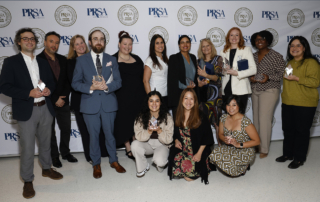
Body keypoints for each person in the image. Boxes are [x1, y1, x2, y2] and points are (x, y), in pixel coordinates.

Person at [0, 28, 63, 199]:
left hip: (45, 108)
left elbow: (50, 81)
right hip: (26, 110)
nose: (29, 41)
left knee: (45, 143)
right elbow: (4, 86)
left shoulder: (42, 61)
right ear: (18, 42)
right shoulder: (11, 62)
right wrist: (28, 93)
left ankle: (46, 168)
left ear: (36, 42)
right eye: (25, 39)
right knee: (27, 148)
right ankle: (28, 180)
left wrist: (48, 89)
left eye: (32, 38)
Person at [72, 30, 126, 179]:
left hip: (108, 103)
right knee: (93, 136)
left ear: (105, 42)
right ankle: (96, 163)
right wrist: (91, 87)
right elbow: (75, 84)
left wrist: (107, 87)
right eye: (95, 39)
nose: (99, 42)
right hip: (90, 104)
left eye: (101, 39)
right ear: (90, 42)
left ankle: (113, 160)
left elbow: (118, 82)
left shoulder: (111, 59)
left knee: (110, 135)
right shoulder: (81, 61)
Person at [276, 36, 320, 169]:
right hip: (288, 102)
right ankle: (287, 154)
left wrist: (297, 78)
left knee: (302, 131)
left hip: (305, 103)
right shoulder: (289, 62)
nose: (294, 48)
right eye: (292, 45)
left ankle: (299, 158)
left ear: (304, 48)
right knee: (288, 129)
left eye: (298, 45)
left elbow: (316, 82)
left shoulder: (311, 62)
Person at [66, 35, 108, 164]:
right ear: (73, 48)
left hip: (96, 98)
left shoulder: (94, 58)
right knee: (85, 130)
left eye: (82, 43)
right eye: (77, 44)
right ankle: (90, 156)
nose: (80, 46)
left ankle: (102, 151)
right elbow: (72, 82)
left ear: (86, 44)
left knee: (98, 127)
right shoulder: (70, 62)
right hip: (80, 100)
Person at [37, 31, 77, 168]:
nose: (54, 45)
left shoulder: (63, 59)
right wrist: (54, 98)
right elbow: (38, 82)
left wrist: (63, 98)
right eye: (51, 41)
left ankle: (65, 153)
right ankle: (54, 156)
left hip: (64, 101)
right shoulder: (37, 60)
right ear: (45, 42)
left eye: (57, 42)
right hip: (47, 101)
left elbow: (67, 80)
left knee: (66, 128)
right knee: (50, 131)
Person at [249, 30, 286, 159]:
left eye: (262, 39)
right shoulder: (252, 56)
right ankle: (257, 145)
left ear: (268, 41)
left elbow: (283, 73)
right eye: (257, 39)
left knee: (264, 119)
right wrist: (250, 78)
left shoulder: (276, 56)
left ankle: (264, 148)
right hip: (255, 89)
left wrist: (268, 77)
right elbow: (247, 73)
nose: (259, 42)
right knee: (256, 119)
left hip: (270, 90)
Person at [168, 88, 214, 185]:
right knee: (174, 160)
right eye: (186, 98)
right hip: (183, 149)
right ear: (181, 100)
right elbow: (175, 132)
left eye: (191, 99)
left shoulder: (201, 116)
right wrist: (176, 140)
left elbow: (207, 137)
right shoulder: (177, 114)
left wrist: (199, 153)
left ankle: (203, 167)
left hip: (197, 149)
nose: (188, 102)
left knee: (188, 178)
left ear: (195, 101)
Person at [112, 31, 146, 159]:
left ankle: (136, 146)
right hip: (121, 98)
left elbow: (142, 78)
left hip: (138, 97)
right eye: (125, 44)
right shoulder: (112, 59)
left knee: (136, 123)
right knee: (124, 123)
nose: (127, 47)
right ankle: (128, 148)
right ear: (119, 44)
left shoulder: (137, 59)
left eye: (130, 44)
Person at [209, 95, 260, 176]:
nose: (230, 108)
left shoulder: (245, 122)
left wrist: (239, 144)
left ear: (239, 106)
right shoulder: (223, 118)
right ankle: (239, 165)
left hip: (245, 149)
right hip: (230, 147)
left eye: (234, 105)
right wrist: (224, 139)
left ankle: (244, 166)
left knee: (231, 171)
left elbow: (257, 141)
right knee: (214, 155)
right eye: (228, 105)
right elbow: (220, 134)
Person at [131, 91, 173, 177]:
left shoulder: (167, 117)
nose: (154, 103)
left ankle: (160, 162)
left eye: (157, 101)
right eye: (151, 101)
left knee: (160, 162)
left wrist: (159, 130)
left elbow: (169, 140)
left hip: (162, 145)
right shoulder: (140, 117)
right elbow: (138, 136)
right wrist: (149, 131)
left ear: (161, 103)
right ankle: (143, 167)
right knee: (134, 145)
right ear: (147, 102)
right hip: (147, 144)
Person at [220, 27, 256, 108]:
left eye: (237, 35)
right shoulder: (223, 52)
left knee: (240, 115)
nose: (234, 37)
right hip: (227, 88)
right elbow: (221, 71)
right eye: (231, 35)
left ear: (240, 38)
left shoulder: (246, 49)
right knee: (228, 115)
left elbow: (253, 69)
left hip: (241, 89)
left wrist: (237, 73)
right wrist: (225, 70)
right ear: (228, 37)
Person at [196, 38, 224, 145]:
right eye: (203, 46)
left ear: (211, 47)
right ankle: (205, 150)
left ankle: (220, 149)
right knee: (203, 123)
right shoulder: (198, 61)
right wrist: (199, 83)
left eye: (208, 45)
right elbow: (197, 80)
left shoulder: (218, 59)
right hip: (202, 95)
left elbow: (217, 77)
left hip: (215, 96)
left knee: (217, 124)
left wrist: (206, 75)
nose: (206, 48)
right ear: (201, 49)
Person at [167, 35, 200, 118]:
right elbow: (172, 79)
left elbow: (194, 77)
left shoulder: (193, 57)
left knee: (191, 121)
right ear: (179, 45)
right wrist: (186, 86)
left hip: (191, 96)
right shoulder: (174, 58)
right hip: (178, 95)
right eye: (182, 42)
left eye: (187, 42)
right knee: (178, 122)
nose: (185, 44)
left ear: (190, 44)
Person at [143, 34, 169, 105]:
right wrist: (151, 98)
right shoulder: (150, 60)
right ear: (153, 46)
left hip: (166, 95)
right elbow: (145, 81)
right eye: (157, 43)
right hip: (155, 96)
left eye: (162, 42)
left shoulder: (166, 59)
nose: (160, 45)